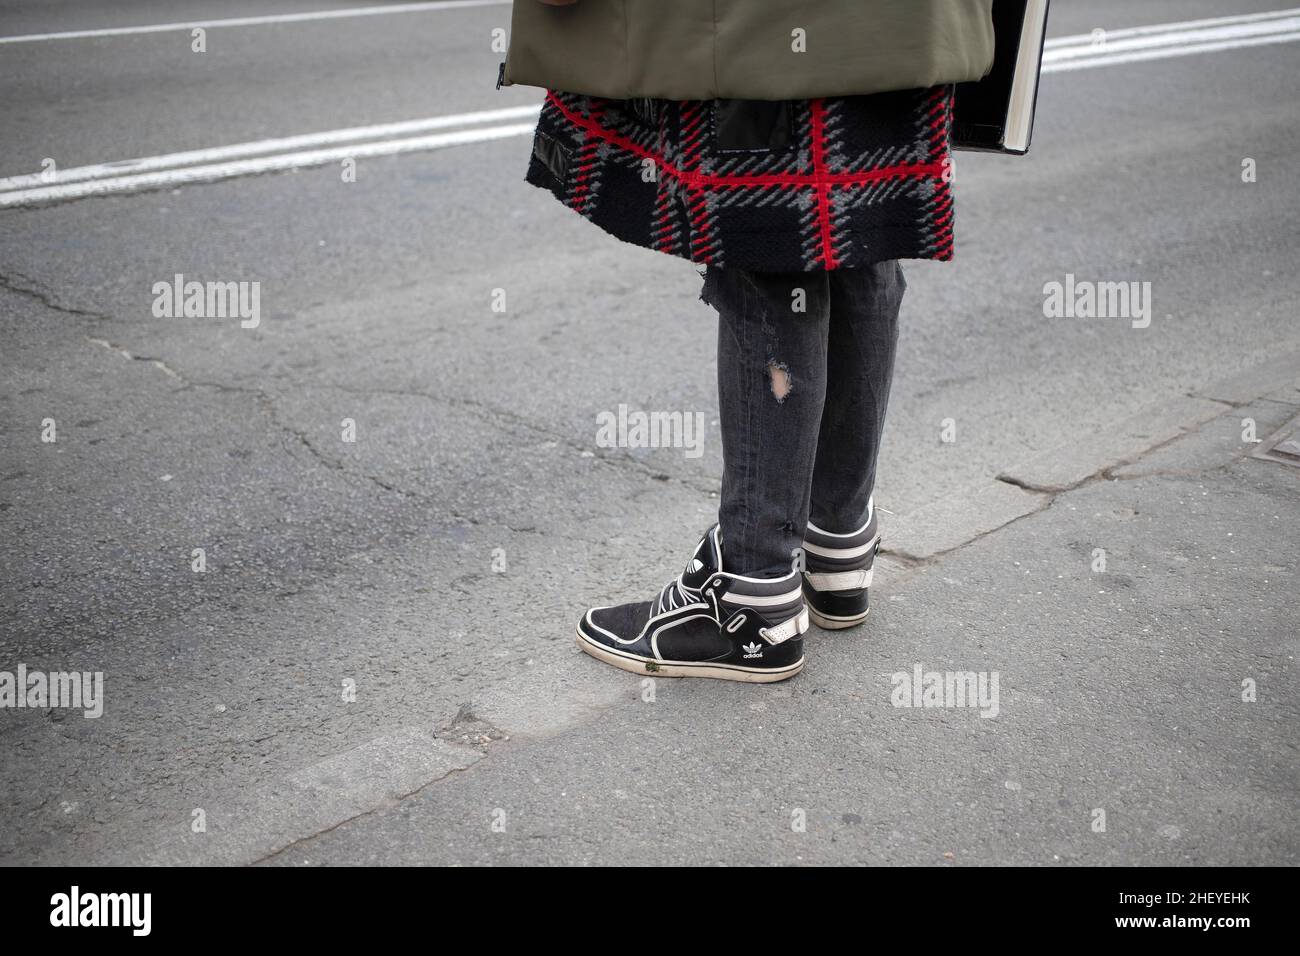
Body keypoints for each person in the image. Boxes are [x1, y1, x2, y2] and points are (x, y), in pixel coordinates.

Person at [504, 0, 996, 682]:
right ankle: (837, 543)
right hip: (905, 20)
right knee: (861, 236)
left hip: (758, 24)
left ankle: (753, 596)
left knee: (769, 257)